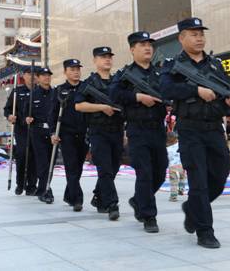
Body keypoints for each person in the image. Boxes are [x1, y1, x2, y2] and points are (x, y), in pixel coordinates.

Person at [160, 17, 230, 249]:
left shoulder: (215, 64)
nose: (199, 38)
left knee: (221, 174)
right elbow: (165, 89)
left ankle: (193, 208)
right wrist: (195, 89)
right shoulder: (172, 64)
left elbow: (226, 93)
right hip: (190, 129)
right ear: (181, 38)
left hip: (214, 128)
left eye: (201, 33)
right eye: (193, 34)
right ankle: (205, 231)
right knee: (199, 181)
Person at [110, 31, 168, 233]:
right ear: (132, 49)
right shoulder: (124, 74)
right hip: (137, 129)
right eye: (142, 45)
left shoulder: (161, 72)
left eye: (150, 45)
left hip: (158, 130)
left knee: (160, 172)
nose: (147, 48)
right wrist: (137, 97)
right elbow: (113, 93)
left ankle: (138, 200)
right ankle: (149, 216)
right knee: (144, 173)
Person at [75, 47, 124, 221]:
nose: (107, 60)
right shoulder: (89, 83)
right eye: (103, 57)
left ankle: (98, 195)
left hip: (117, 131)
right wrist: (101, 107)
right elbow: (79, 106)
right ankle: (112, 204)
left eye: (109, 57)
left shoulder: (118, 81)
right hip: (98, 131)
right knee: (104, 169)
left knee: (114, 168)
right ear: (95, 60)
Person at [49, 59, 89, 212]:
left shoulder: (86, 88)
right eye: (72, 69)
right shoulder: (59, 90)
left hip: (83, 134)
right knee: (71, 167)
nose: (76, 72)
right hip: (66, 135)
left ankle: (69, 194)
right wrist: (53, 132)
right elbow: (52, 113)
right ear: (65, 72)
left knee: (78, 168)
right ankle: (77, 199)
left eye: (78, 69)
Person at [3, 66, 37, 196]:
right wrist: (9, 116)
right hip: (21, 129)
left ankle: (32, 185)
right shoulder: (17, 91)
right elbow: (7, 109)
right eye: (29, 74)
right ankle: (20, 183)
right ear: (24, 76)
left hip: (36, 129)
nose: (32, 76)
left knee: (34, 156)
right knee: (22, 155)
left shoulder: (40, 91)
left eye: (34, 74)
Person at [25, 67, 54, 203]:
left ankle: (45, 187)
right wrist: (27, 118)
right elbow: (25, 113)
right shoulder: (32, 95)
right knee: (42, 162)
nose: (46, 78)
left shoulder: (56, 94)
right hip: (37, 132)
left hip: (53, 132)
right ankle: (44, 190)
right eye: (43, 75)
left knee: (51, 162)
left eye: (48, 75)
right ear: (38, 78)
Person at [166, 132, 186, 202]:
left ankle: (173, 197)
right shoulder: (179, 145)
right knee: (182, 178)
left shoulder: (166, 149)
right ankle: (181, 189)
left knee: (173, 182)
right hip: (181, 166)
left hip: (172, 167)